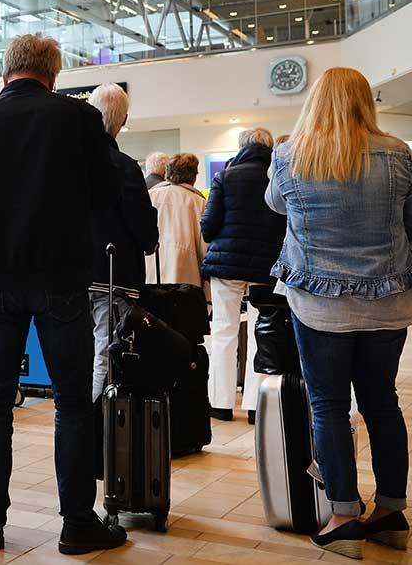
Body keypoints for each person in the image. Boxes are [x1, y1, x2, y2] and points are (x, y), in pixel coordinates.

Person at [0, 33, 123, 555]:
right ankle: (78, 524)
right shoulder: (80, 119)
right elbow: (106, 192)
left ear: (5, 74)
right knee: (71, 404)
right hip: (62, 278)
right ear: (54, 74)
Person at [266, 67, 412, 559]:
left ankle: (343, 514)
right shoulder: (400, 154)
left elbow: (277, 205)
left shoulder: (289, 155)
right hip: (387, 301)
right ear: (366, 101)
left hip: (317, 304)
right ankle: (390, 512)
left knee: (328, 407)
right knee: (382, 402)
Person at [200, 128, 286, 422]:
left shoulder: (225, 176)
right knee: (262, 333)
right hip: (267, 266)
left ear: (241, 147)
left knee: (224, 330)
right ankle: (254, 405)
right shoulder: (277, 176)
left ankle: (220, 403)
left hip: (228, 265)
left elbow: (209, 226)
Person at [87, 83, 158, 403]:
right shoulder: (124, 166)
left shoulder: (68, 161)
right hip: (112, 273)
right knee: (105, 348)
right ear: (123, 119)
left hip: (72, 273)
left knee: (78, 350)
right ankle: (95, 421)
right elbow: (142, 226)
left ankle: (75, 420)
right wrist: (149, 240)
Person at [147, 153, 207, 288]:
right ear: (194, 176)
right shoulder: (198, 201)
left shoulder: (151, 195)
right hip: (186, 271)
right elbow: (204, 243)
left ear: (167, 173)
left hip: (152, 268)